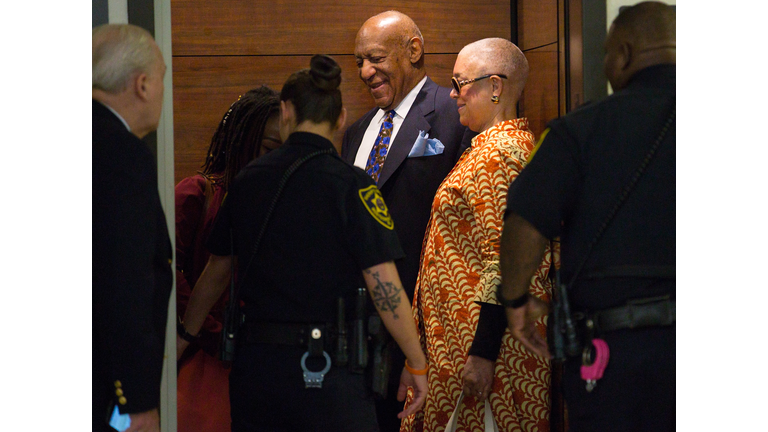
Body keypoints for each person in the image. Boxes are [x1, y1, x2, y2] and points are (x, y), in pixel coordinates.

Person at [176, 54, 429, 432]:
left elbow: (215, 274)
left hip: (258, 371)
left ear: (286, 113)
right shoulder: (354, 187)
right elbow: (384, 285)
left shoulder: (247, 181)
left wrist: (184, 339)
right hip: (332, 372)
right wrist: (416, 363)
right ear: (341, 118)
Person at [498, 3, 675, 431]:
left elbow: (525, 218)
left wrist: (517, 300)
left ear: (625, 54)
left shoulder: (579, 129)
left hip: (616, 360)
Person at [400, 38, 554, 432]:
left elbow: (507, 260)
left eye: (460, 82)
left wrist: (483, 354)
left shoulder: (501, 154)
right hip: (458, 350)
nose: (452, 94)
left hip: (490, 359)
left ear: (496, 87)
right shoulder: (486, 149)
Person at [342, 11, 475, 429]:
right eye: (359, 61)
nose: (365, 71)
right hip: (354, 333)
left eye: (375, 58)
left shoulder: (455, 117)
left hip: (421, 328)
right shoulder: (356, 131)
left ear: (413, 50)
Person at [175, 86, 281, 432]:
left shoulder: (281, 203)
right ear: (242, 142)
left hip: (261, 359)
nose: (275, 160)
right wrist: (209, 331)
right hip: (201, 357)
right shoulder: (197, 193)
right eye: (268, 148)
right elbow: (166, 272)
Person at [92, 24, 171, 432]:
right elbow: (123, 283)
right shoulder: (119, 153)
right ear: (142, 84)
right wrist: (136, 401)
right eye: (161, 79)